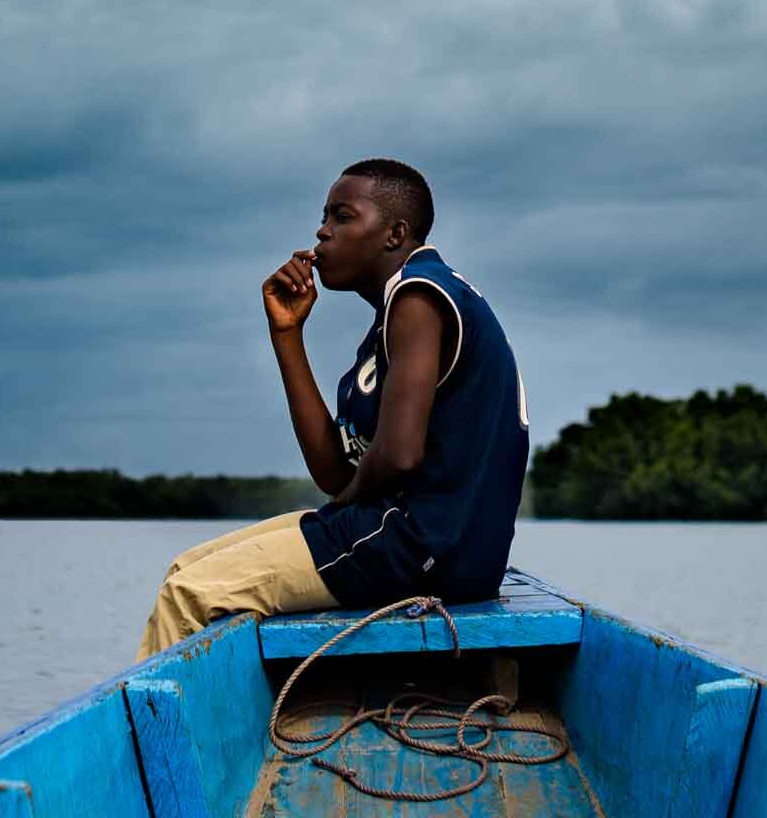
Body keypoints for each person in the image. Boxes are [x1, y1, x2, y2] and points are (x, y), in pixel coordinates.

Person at [135, 157, 529, 659]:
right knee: (183, 570)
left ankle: (161, 736)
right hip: (422, 542)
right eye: (324, 218)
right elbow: (333, 472)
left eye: (343, 217)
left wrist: (345, 504)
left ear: (394, 233)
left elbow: (398, 456)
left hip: (422, 546)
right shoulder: (397, 316)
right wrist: (286, 334)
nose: (322, 232)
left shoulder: (418, 296)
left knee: (186, 597)